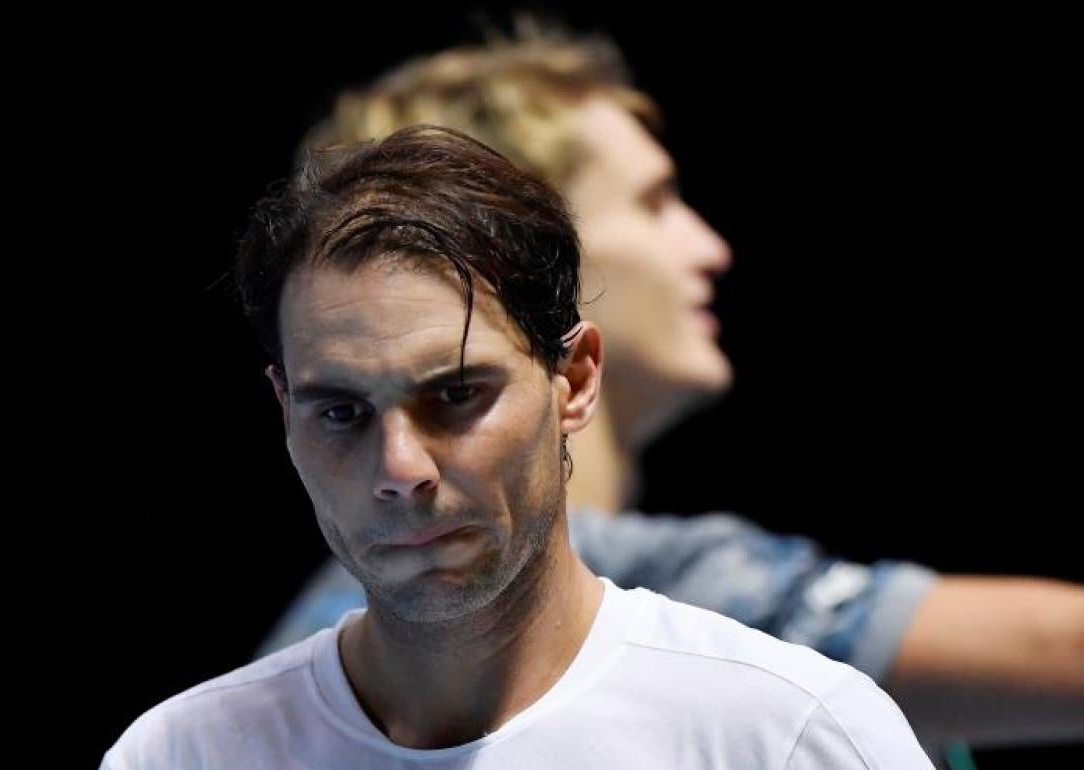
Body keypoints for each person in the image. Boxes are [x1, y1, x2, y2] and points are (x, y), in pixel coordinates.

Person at [258, 29, 1084, 752]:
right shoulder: (635, 596)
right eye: (655, 203)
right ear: (535, 250)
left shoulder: (308, 657)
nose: (709, 247)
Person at [102, 124, 932, 769]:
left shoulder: (789, 736)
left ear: (572, 379)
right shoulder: (183, 754)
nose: (400, 469)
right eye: (342, 413)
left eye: (456, 395)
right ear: (284, 410)